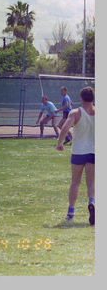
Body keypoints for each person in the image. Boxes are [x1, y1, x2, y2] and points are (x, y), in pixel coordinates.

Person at [56, 87, 94, 225]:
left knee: (75, 182)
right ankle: (92, 202)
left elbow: (65, 128)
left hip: (78, 152)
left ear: (81, 98)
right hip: (94, 152)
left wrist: (60, 143)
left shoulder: (75, 112)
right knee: (91, 183)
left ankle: (71, 211)